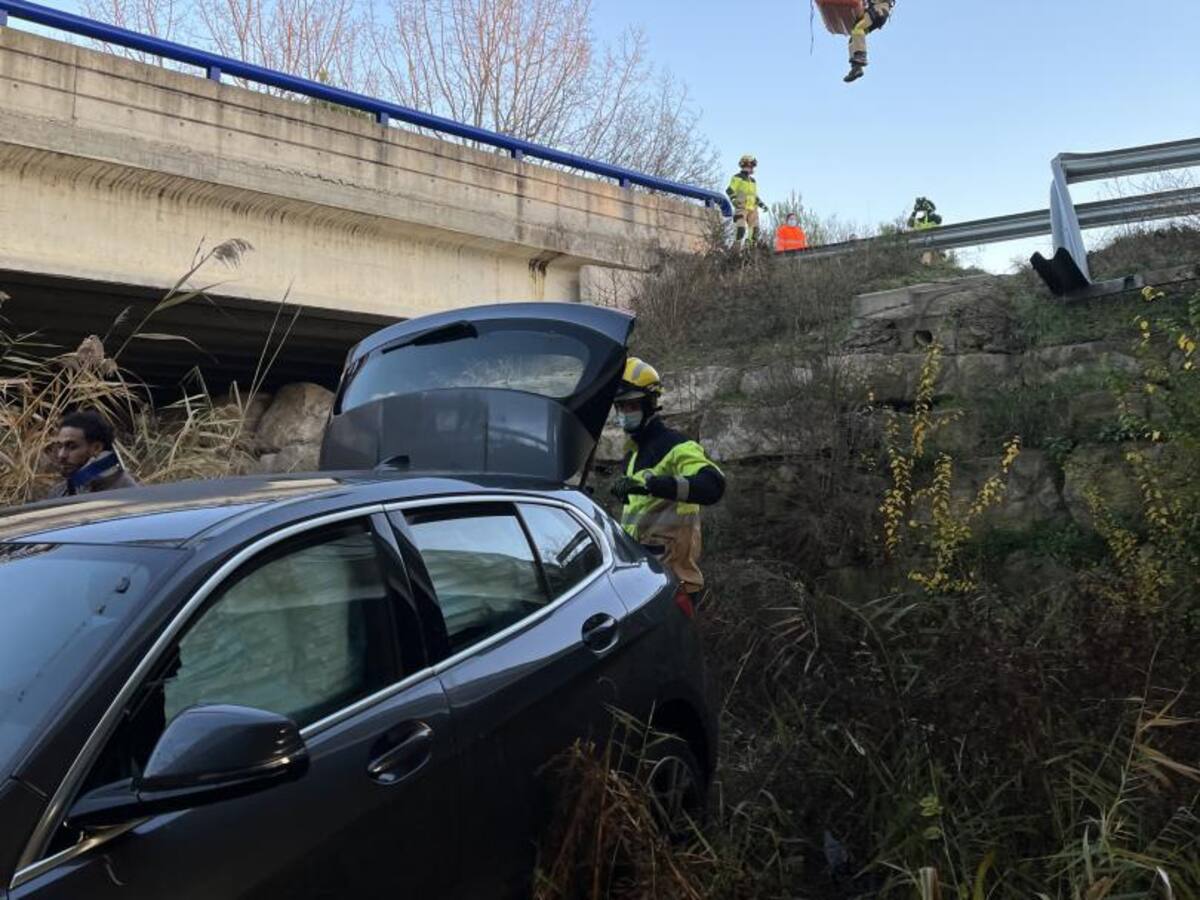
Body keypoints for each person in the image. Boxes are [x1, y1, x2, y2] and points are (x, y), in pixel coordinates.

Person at [610, 358, 725, 596]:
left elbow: (713, 485)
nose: (625, 413)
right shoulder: (632, 455)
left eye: (632, 406)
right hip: (642, 582)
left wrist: (654, 486)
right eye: (620, 407)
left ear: (650, 403)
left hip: (676, 585)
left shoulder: (678, 447)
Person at [48, 409, 138, 497]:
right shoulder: (59, 493)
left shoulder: (128, 493)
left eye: (72, 447)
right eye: (60, 446)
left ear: (96, 448)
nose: (61, 455)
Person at [844, 0, 896, 83]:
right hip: (877, 13)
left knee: (858, 28)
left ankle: (861, 56)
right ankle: (856, 68)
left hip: (878, 10)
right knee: (853, 38)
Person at [726, 155, 769, 248]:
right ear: (746, 165)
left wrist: (762, 205)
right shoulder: (737, 177)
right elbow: (729, 190)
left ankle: (750, 247)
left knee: (755, 230)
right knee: (741, 229)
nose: (753, 168)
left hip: (753, 209)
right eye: (752, 166)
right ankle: (736, 247)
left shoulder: (753, 181)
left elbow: (754, 196)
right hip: (742, 207)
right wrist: (733, 199)